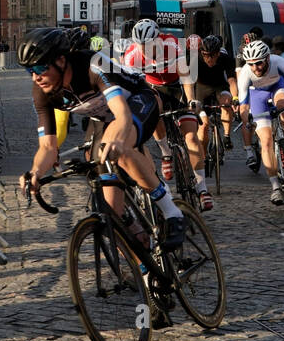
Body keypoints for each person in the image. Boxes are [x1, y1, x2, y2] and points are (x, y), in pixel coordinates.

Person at [19, 27, 186, 251]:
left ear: (60, 60)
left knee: (120, 148)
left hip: (139, 101)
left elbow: (122, 115)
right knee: (112, 216)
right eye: (29, 70)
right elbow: (48, 146)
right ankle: (145, 271)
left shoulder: (93, 65)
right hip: (105, 118)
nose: (35, 77)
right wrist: (36, 172)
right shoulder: (43, 91)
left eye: (40, 68)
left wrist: (116, 140)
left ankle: (171, 212)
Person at [122, 19, 208, 209]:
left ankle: (202, 188)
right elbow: (130, 86)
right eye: (141, 45)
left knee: (191, 137)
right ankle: (166, 153)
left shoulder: (171, 44)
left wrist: (191, 100)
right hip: (153, 88)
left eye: (149, 44)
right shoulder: (131, 56)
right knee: (153, 112)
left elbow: (185, 75)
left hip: (176, 87)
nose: (144, 48)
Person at [237, 38, 284, 206]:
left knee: (283, 104)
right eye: (251, 64)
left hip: (277, 88)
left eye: (258, 63)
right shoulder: (246, 73)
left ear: (267, 58)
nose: (255, 68)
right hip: (257, 96)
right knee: (266, 142)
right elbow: (244, 105)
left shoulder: (279, 62)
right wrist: (247, 121)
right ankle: (275, 187)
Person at [194, 34, 239, 156]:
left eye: (212, 55)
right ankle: (203, 156)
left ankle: (226, 136)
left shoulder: (226, 59)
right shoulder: (195, 58)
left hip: (219, 86)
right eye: (205, 55)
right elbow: (189, 82)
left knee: (226, 103)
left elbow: (232, 81)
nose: (208, 58)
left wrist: (235, 98)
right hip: (201, 88)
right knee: (204, 125)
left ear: (218, 53)